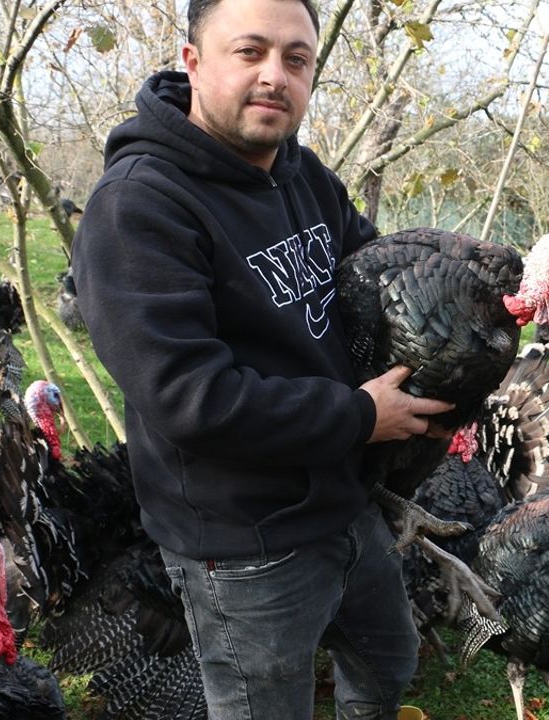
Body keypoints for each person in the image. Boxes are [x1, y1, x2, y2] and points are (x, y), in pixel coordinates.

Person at [71, 0, 452, 717]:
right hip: (244, 541)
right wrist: (362, 414)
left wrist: (463, 307)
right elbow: (191, 397)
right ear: (193, 61)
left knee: (388, 663)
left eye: (296, 59)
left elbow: (374, 274)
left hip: (341, 498)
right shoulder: (138, 207)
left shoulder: (303, 174)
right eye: (250, 52)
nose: (275, 75)